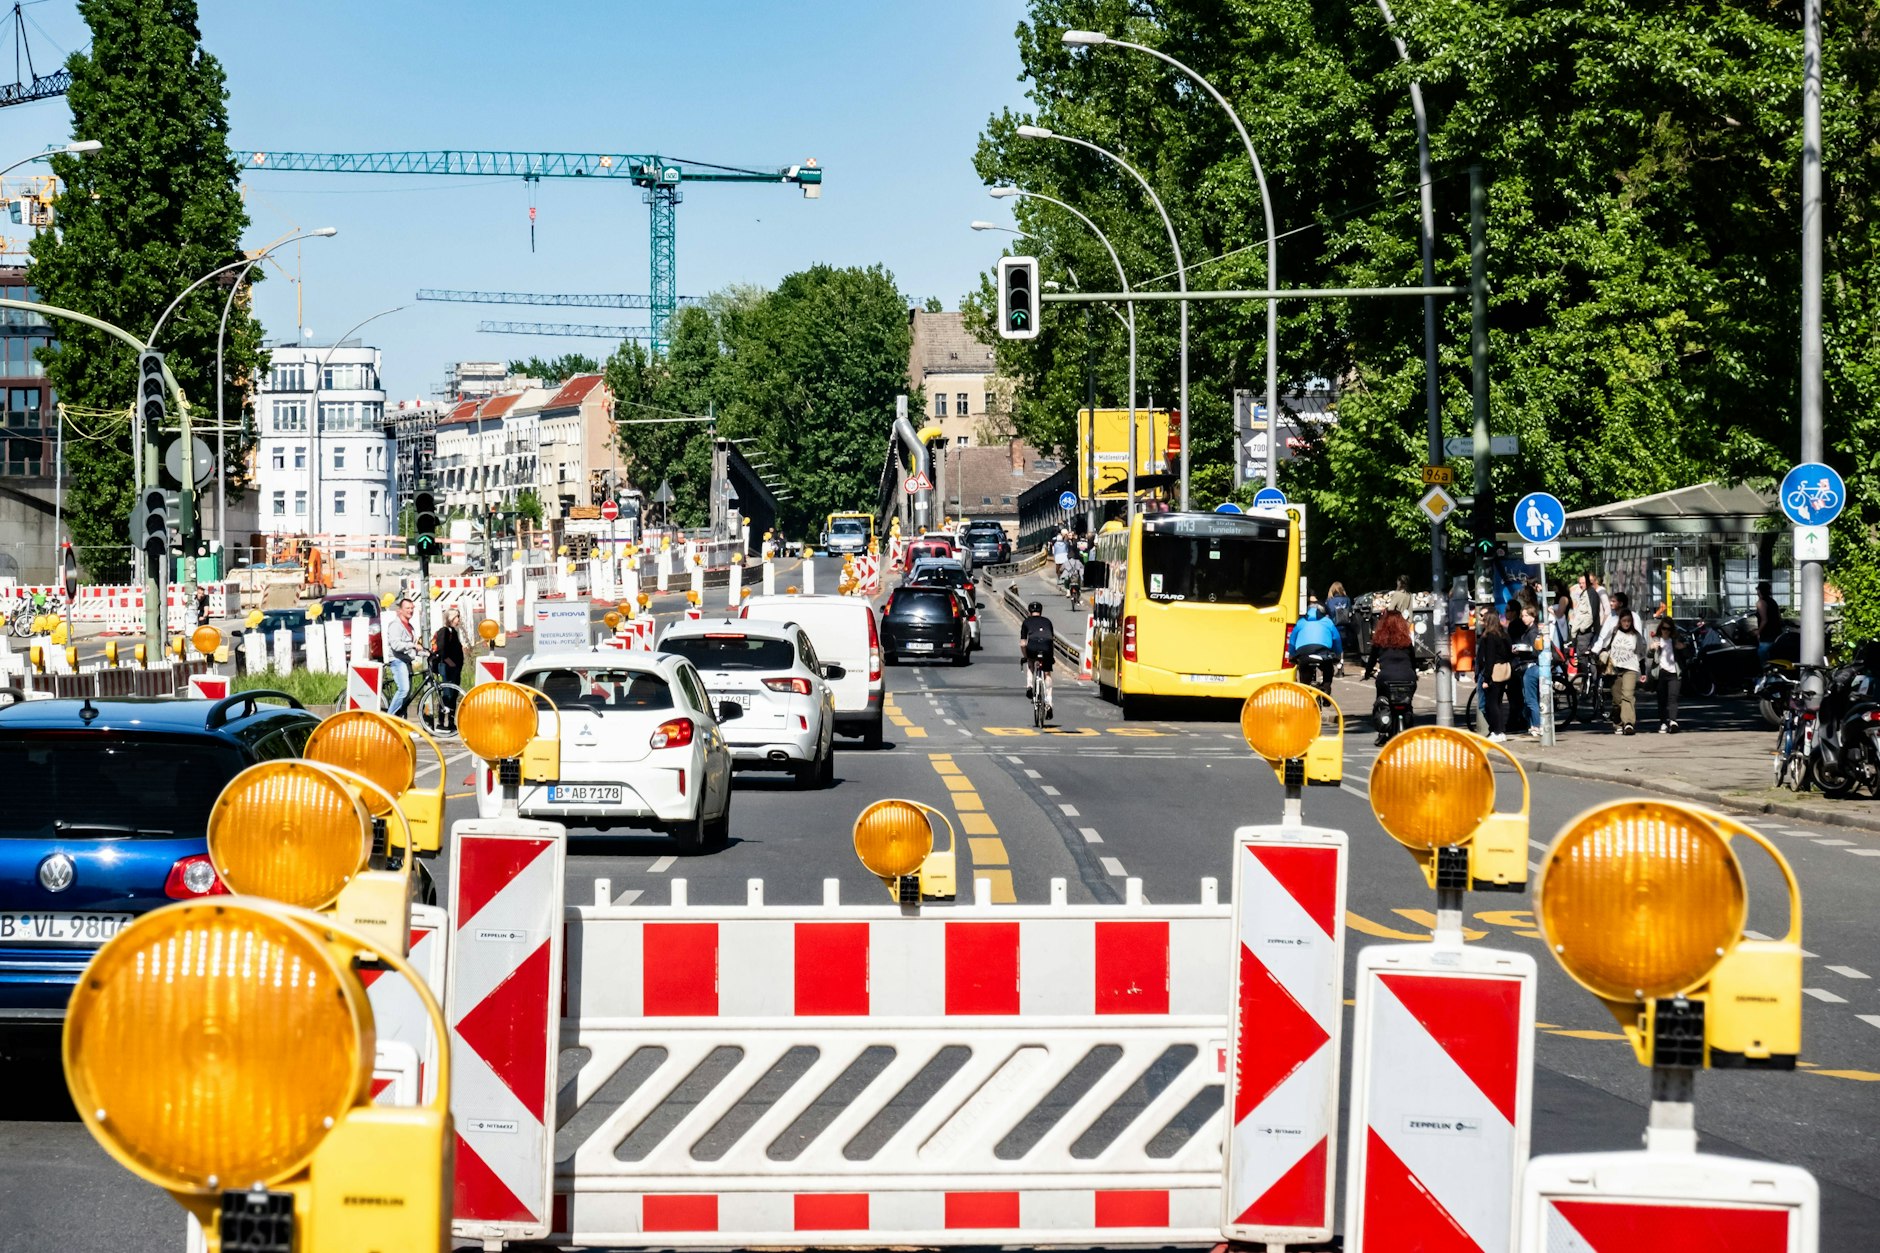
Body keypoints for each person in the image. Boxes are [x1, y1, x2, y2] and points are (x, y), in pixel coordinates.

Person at [1363, 609, 1418, 746]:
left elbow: (1371, 661)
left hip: (1386, 678)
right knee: (1407, 703)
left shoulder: (1379, 641)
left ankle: (1382, 732)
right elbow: (1413, 661)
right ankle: (1408, 726)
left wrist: (1367, 673)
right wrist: (1414, 675)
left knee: (1381, 701)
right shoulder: (1407, 641)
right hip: (1407, 678)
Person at [1603, 608, 1649, 735]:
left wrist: (1643, 672)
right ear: (1620, 621)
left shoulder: (1636, 636)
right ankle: (1617, 722)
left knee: (1628, 696)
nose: (1627, 623)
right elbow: (1604, 646)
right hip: (1615, 669)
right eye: (1624, 621)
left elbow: (1641, 655)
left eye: (1629, 621)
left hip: (1631, 668)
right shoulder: (1614, 632)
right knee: (1617, 701)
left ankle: (1628, 723)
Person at [382, 593, 423, 718]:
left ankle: (401, 722)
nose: (410, 611)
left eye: (412, 608)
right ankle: (389, 719)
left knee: (407, 695)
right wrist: (412, 645)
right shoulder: (395, 625)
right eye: (407, 608)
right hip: (398, 661)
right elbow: (396, 645)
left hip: (406, 661)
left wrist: (427, 652)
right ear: (400, 610)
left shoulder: (409, 627)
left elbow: (412, 648)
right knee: (403, 690)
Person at [1476, 615, 1514, 742]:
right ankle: (1500, 731)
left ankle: (1496, 731)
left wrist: (1486, 679)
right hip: (1505, 670)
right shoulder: (1504, 635)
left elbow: (1490, 658)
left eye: (1483, 620)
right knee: (1498, 701)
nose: (1482, 622)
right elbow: (1510, 652)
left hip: (1494, 671)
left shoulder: (1490, 637)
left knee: (1491, 703)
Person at [1288, 599, 1342, 689]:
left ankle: (1306, 691)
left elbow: (1292, 640)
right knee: (1328, 668)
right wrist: (1338, 654)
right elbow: (1336, 639)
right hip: (1323, 652)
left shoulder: (1301, 622)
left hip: (1303, 653)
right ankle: (1326, 688)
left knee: (1304, 672)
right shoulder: (1328, 622)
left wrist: (1292, 655)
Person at [430, 605, 467, 730]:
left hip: (454, 668)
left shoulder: (453, 631)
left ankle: (451, 722)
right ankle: (441, 722)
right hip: (446, 668)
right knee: (447, 695)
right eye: (457, 617)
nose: (459, 620)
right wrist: (450, 663)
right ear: (451, 618)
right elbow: (442, 650)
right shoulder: (444, 631)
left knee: (453, 695)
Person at [1019, 600, 1057, 719]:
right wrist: (1050, 657)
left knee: (1030, 662)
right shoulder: (1047, 621)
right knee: (1047, 673)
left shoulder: (1026, 622)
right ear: (1041, 611)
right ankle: (1049, 702)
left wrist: (1026, 656)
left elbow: (1023, 643)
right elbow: (1052, 639)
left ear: (1030, 612)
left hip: (1033, 645)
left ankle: (1029, 686)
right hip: (1046, 646)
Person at [1650, 617, 1682, 733]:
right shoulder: (1657, 640)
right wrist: (1652, 649)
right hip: (1661, 673)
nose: (1666, 631)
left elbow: (1686, 654)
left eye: (1668, 629)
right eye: (1664, 628)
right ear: (1660, 628)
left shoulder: (1675, 640)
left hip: (1674, 673)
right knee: (1662, 699)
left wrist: (1683, 647)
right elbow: (1648, 655)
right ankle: (1663, 722)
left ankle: (1673, 721)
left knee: (1673, 698)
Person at [1756, 580, 1784, 662]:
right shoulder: (1773, 601)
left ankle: (1765, 672)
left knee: (1763, 655)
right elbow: (1779, 617)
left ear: (1759, 591)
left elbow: (1764, 620)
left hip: (1767, 635)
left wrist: (1758, 632)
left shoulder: (1761, 602)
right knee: (1774, 657)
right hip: (1777, 634)